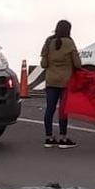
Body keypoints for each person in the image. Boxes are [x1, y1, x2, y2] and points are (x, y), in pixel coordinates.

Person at [41, 19, 82, 149]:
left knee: (50, 109)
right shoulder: (69, 43)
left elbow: (43, 64)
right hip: (65, 82)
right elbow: (78, 64)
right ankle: (63, 138)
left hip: (51, 81)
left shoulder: (49, 42)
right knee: (63, 111)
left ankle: (48, 138)